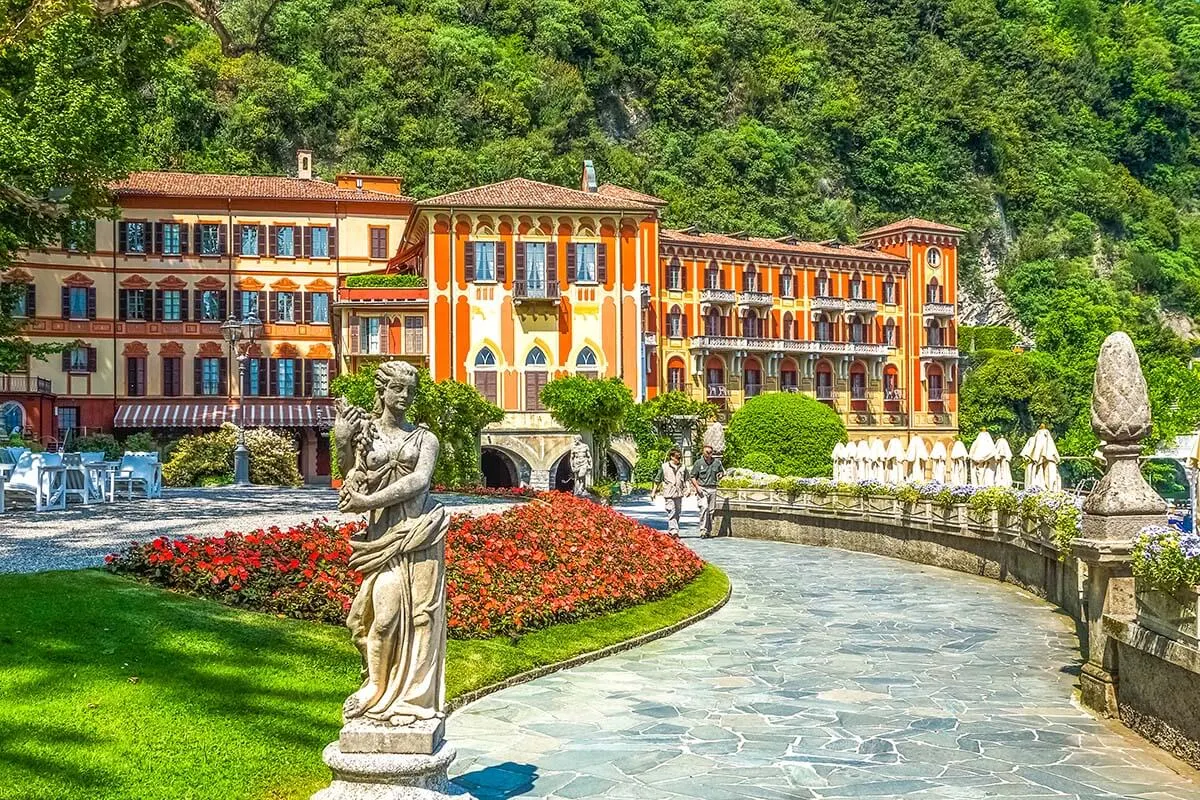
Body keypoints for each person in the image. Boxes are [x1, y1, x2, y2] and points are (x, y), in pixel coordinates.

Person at [334, 361, 448, 727]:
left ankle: (409, 697)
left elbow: (419, 481)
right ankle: (377, 685)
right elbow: (351, 477)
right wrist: (341, 439)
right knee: (368, 622)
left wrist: (367, 503)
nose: (405, 397)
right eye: (397, 389)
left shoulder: (425, 439)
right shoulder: (366, 434)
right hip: (382, 538)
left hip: (419, 532)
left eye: (410, 391)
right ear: (381, 391)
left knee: (420, 617)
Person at [650, 447, 688, 537]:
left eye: (680, 458)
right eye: (677, 457)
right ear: (671, 457)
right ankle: (673, 530)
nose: (679, 459)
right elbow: (657, 480)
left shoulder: (683, 467)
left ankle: (673, 529)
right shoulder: (664, 467)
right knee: (672, 510)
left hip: (679, 493)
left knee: (678, 512)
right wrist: (653, 492)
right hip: (669, 493)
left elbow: (686, 479)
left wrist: (688, 489)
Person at [689, 444, 725, 538]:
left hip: (713, 488)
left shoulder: (717, 463)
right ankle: (703, 530)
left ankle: (709, 530)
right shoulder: (698, 463)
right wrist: (697, 487)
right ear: (703, 452)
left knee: (711, 511)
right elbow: (692, 476)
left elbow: (722, 472)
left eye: (710, 452)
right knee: (704, 508)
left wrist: (720, 475)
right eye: (707, 452)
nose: (709, 454)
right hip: (702, 488)